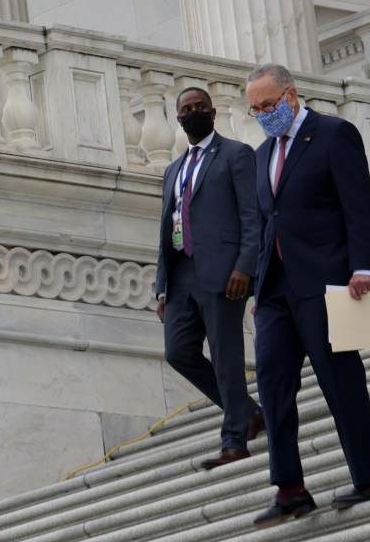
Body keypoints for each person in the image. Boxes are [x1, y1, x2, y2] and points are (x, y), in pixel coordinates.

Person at [243, 63, 370, 525]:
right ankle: (290, 488)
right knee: (272, 385)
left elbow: (357, 203)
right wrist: (258, 283)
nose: (263, 114)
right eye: (255, 109)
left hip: (327, 282)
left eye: (268, 104)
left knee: (340, 382)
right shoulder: (262, 154)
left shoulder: (333, 134)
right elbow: (268, 223)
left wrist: (362, 266)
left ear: (291, 95)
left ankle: (367, 478)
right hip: (277, 290)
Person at [153, 86, 265, 468]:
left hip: (223, 273)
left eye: (201, 106)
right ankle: (249, 411)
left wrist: (245, 266)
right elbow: (167, 228)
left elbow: (253, 216)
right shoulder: (173, 169)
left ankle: (234, 441)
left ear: (213, 113)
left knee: (226, 358)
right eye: (186, 108)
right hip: (181, 275)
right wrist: (161, 287)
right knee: (178, 352)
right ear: (178, 117)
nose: (193, 112)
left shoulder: (236, 155)